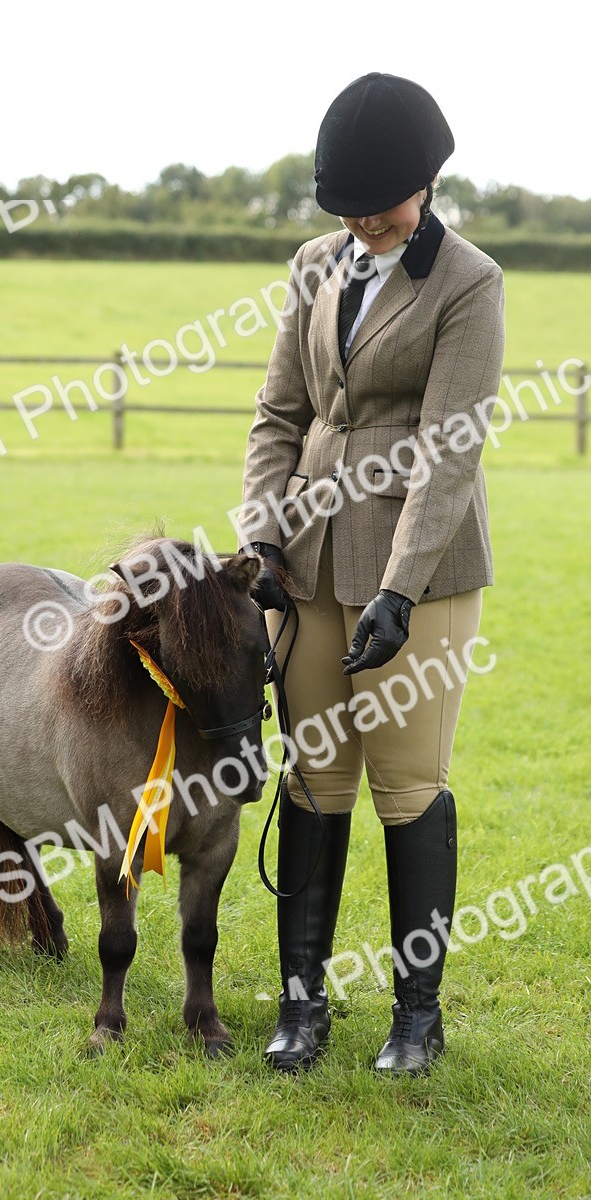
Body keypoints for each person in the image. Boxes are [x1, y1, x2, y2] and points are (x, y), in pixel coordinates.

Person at [239, 72, 505, 1075]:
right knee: (312, 778)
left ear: (427, 184)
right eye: (345, 205)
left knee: (403, 785)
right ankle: (301, 1005)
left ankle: (414, 1015)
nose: (361, 221)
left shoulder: (468, 284)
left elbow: (448, 450)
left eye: (379, 202)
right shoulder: (311, 265)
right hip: (305, 562)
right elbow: (277, 414)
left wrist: (396, 591)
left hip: (418, 576)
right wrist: (262, 539)